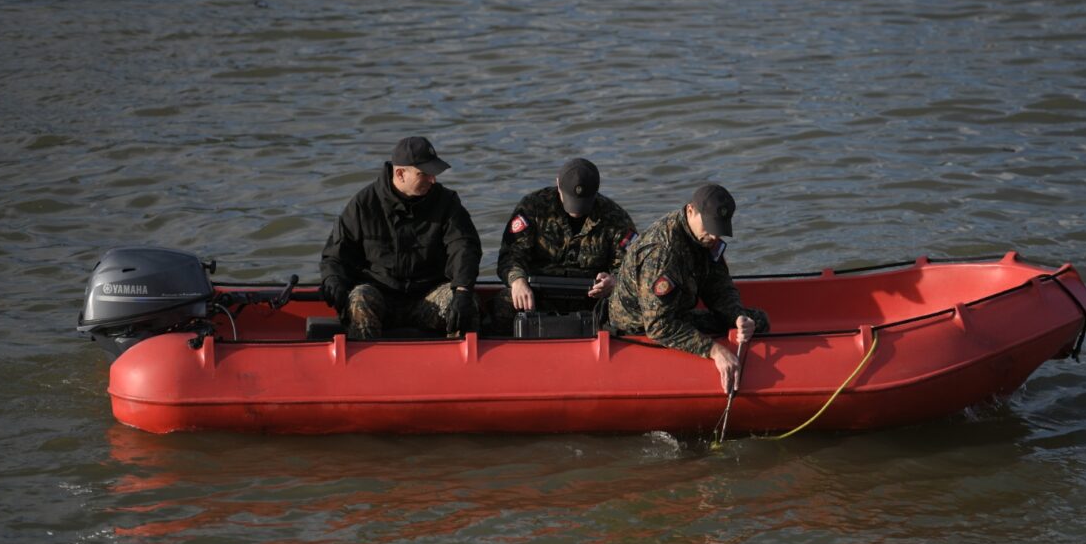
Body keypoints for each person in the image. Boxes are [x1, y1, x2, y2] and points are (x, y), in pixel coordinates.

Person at [607, 183, 770, 393]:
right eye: (709, 227)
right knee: (760, 320)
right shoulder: (662, 253)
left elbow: (718, 285)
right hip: (638, 324)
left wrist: (736, 316)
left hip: (674, 309)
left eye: (718, 230)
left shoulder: (704, 238)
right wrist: (714, 350)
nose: (713, 236)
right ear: (690, 210)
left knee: (755, 320)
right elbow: (659, 326)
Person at [319, 136, 482, 339]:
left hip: (427, 297)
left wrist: (463, 290)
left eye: (435, 174)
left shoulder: (446, 202)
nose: (433, 180)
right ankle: (365, 366)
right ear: (400, 173)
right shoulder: (364, 204)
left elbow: (464, 247)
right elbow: (335, 255)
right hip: (381, 297)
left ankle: (461, 367)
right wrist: (333, 280)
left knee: (464, 304)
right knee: (360, 299)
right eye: (425, 174)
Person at [492, 158, 638, 331]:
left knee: (632, 309)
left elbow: (632, 266)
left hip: (592, 299)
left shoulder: (615, 217)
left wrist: (614, 281)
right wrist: (518, 281)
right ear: (558, 185)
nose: (576, 210)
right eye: (570, 200)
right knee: (504, 303)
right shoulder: (533, 208)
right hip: (538, 294)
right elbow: (511, 255)